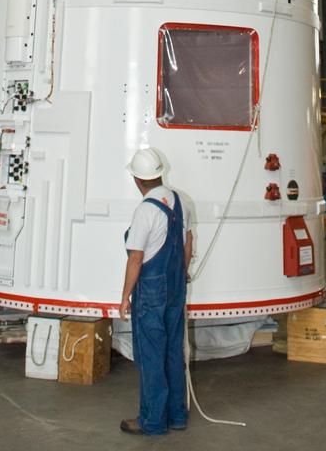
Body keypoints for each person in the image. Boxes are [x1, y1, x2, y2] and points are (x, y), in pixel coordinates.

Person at [119, 147, 192, 437]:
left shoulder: (145, 210)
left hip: (150, 291)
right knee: (174, 351)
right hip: (175, 287)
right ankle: (177, 416)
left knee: (151, 355)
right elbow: (188, 243)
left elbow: (135, 259)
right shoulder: (181, 201)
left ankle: (152, 421)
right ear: (160, 173)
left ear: (138, 180)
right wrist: (181, 275)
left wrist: (125, 296)